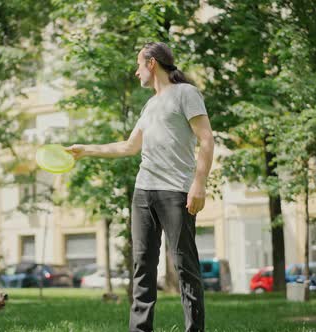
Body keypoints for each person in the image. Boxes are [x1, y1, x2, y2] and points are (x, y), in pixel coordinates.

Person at [66, 42, 215, 332]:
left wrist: (200, 182)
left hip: (177, 191)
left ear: (152, 63)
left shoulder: (186, 93)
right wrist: (86, 150)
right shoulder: (150, 105)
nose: (136, 72)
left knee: (185, 266)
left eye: (138, 65)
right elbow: (129, 146)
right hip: (144, 191)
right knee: (142, 267)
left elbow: (206, 139)